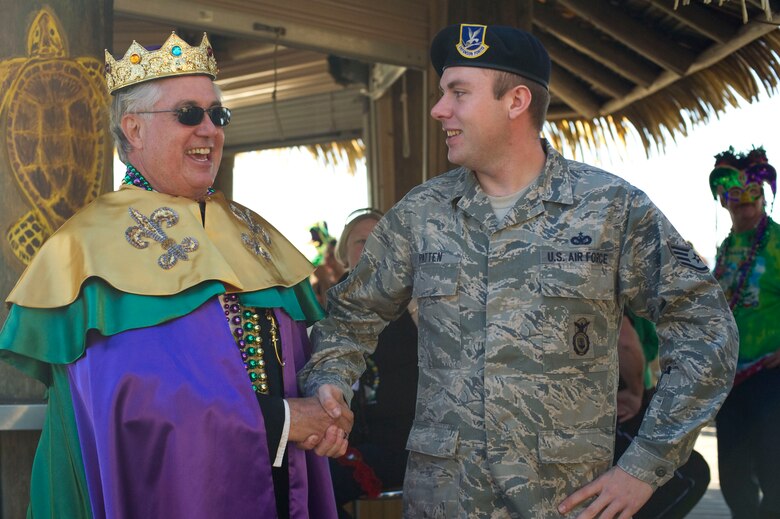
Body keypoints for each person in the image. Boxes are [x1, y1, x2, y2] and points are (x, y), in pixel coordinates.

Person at [299, 23, 738, 518]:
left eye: (458, 93)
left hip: (566, 502)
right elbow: (348, 318)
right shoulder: (420, 215)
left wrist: (645, 464)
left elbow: (706, 329)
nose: (439, 109)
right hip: (446, 502)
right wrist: (330, 382)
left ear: (516, 101)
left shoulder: (610, 210)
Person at [0, 32, 350, 518]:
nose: (209, 130)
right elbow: (132, 413)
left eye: (217, 115)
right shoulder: (85, 250)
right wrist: (285, 421)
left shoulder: (255, 234)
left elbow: (293, 361)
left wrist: (325, 406)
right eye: (188, 114)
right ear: (134, 130)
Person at [327, 209, 418, 518]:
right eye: (360, 241)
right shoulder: (330, 307)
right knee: (293, 481)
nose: (370, 248)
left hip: (402, 443)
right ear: (344, 254)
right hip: (343, 441)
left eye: (381, 240)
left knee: (320, 485)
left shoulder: (414, 301)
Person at [709, 146, 780, 518]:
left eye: (752, 196)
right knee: (733, 476)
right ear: (724, 201)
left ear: (764, 196)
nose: (745, 206)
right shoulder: (726, 248)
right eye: (736, 198)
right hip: (731, 380)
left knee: (775, 473)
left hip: (771, 377)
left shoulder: (778, 242)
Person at [614, 314, 711, 519]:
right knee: (691, 474)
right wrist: (634, 392)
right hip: (618, 404)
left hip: (632, 397)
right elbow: (625, 342)